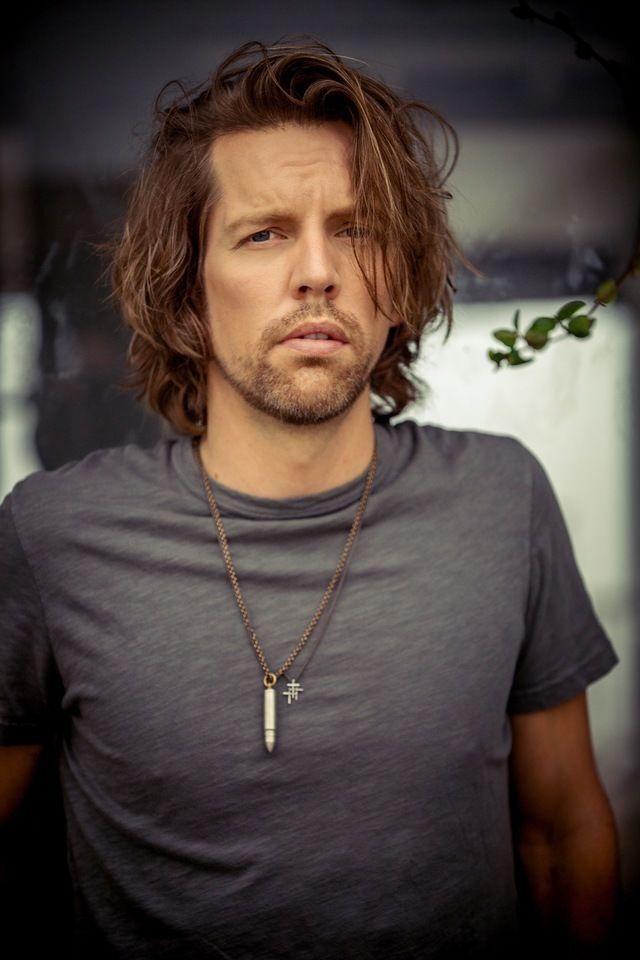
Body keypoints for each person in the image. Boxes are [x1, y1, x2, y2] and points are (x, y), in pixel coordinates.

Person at [0, 38, 621, 959]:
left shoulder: (504, 501)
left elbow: (563, 831)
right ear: (186, 292)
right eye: (265, 233)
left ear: (398, 281)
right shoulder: (52, 538)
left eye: (357, 229)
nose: (318, 271)